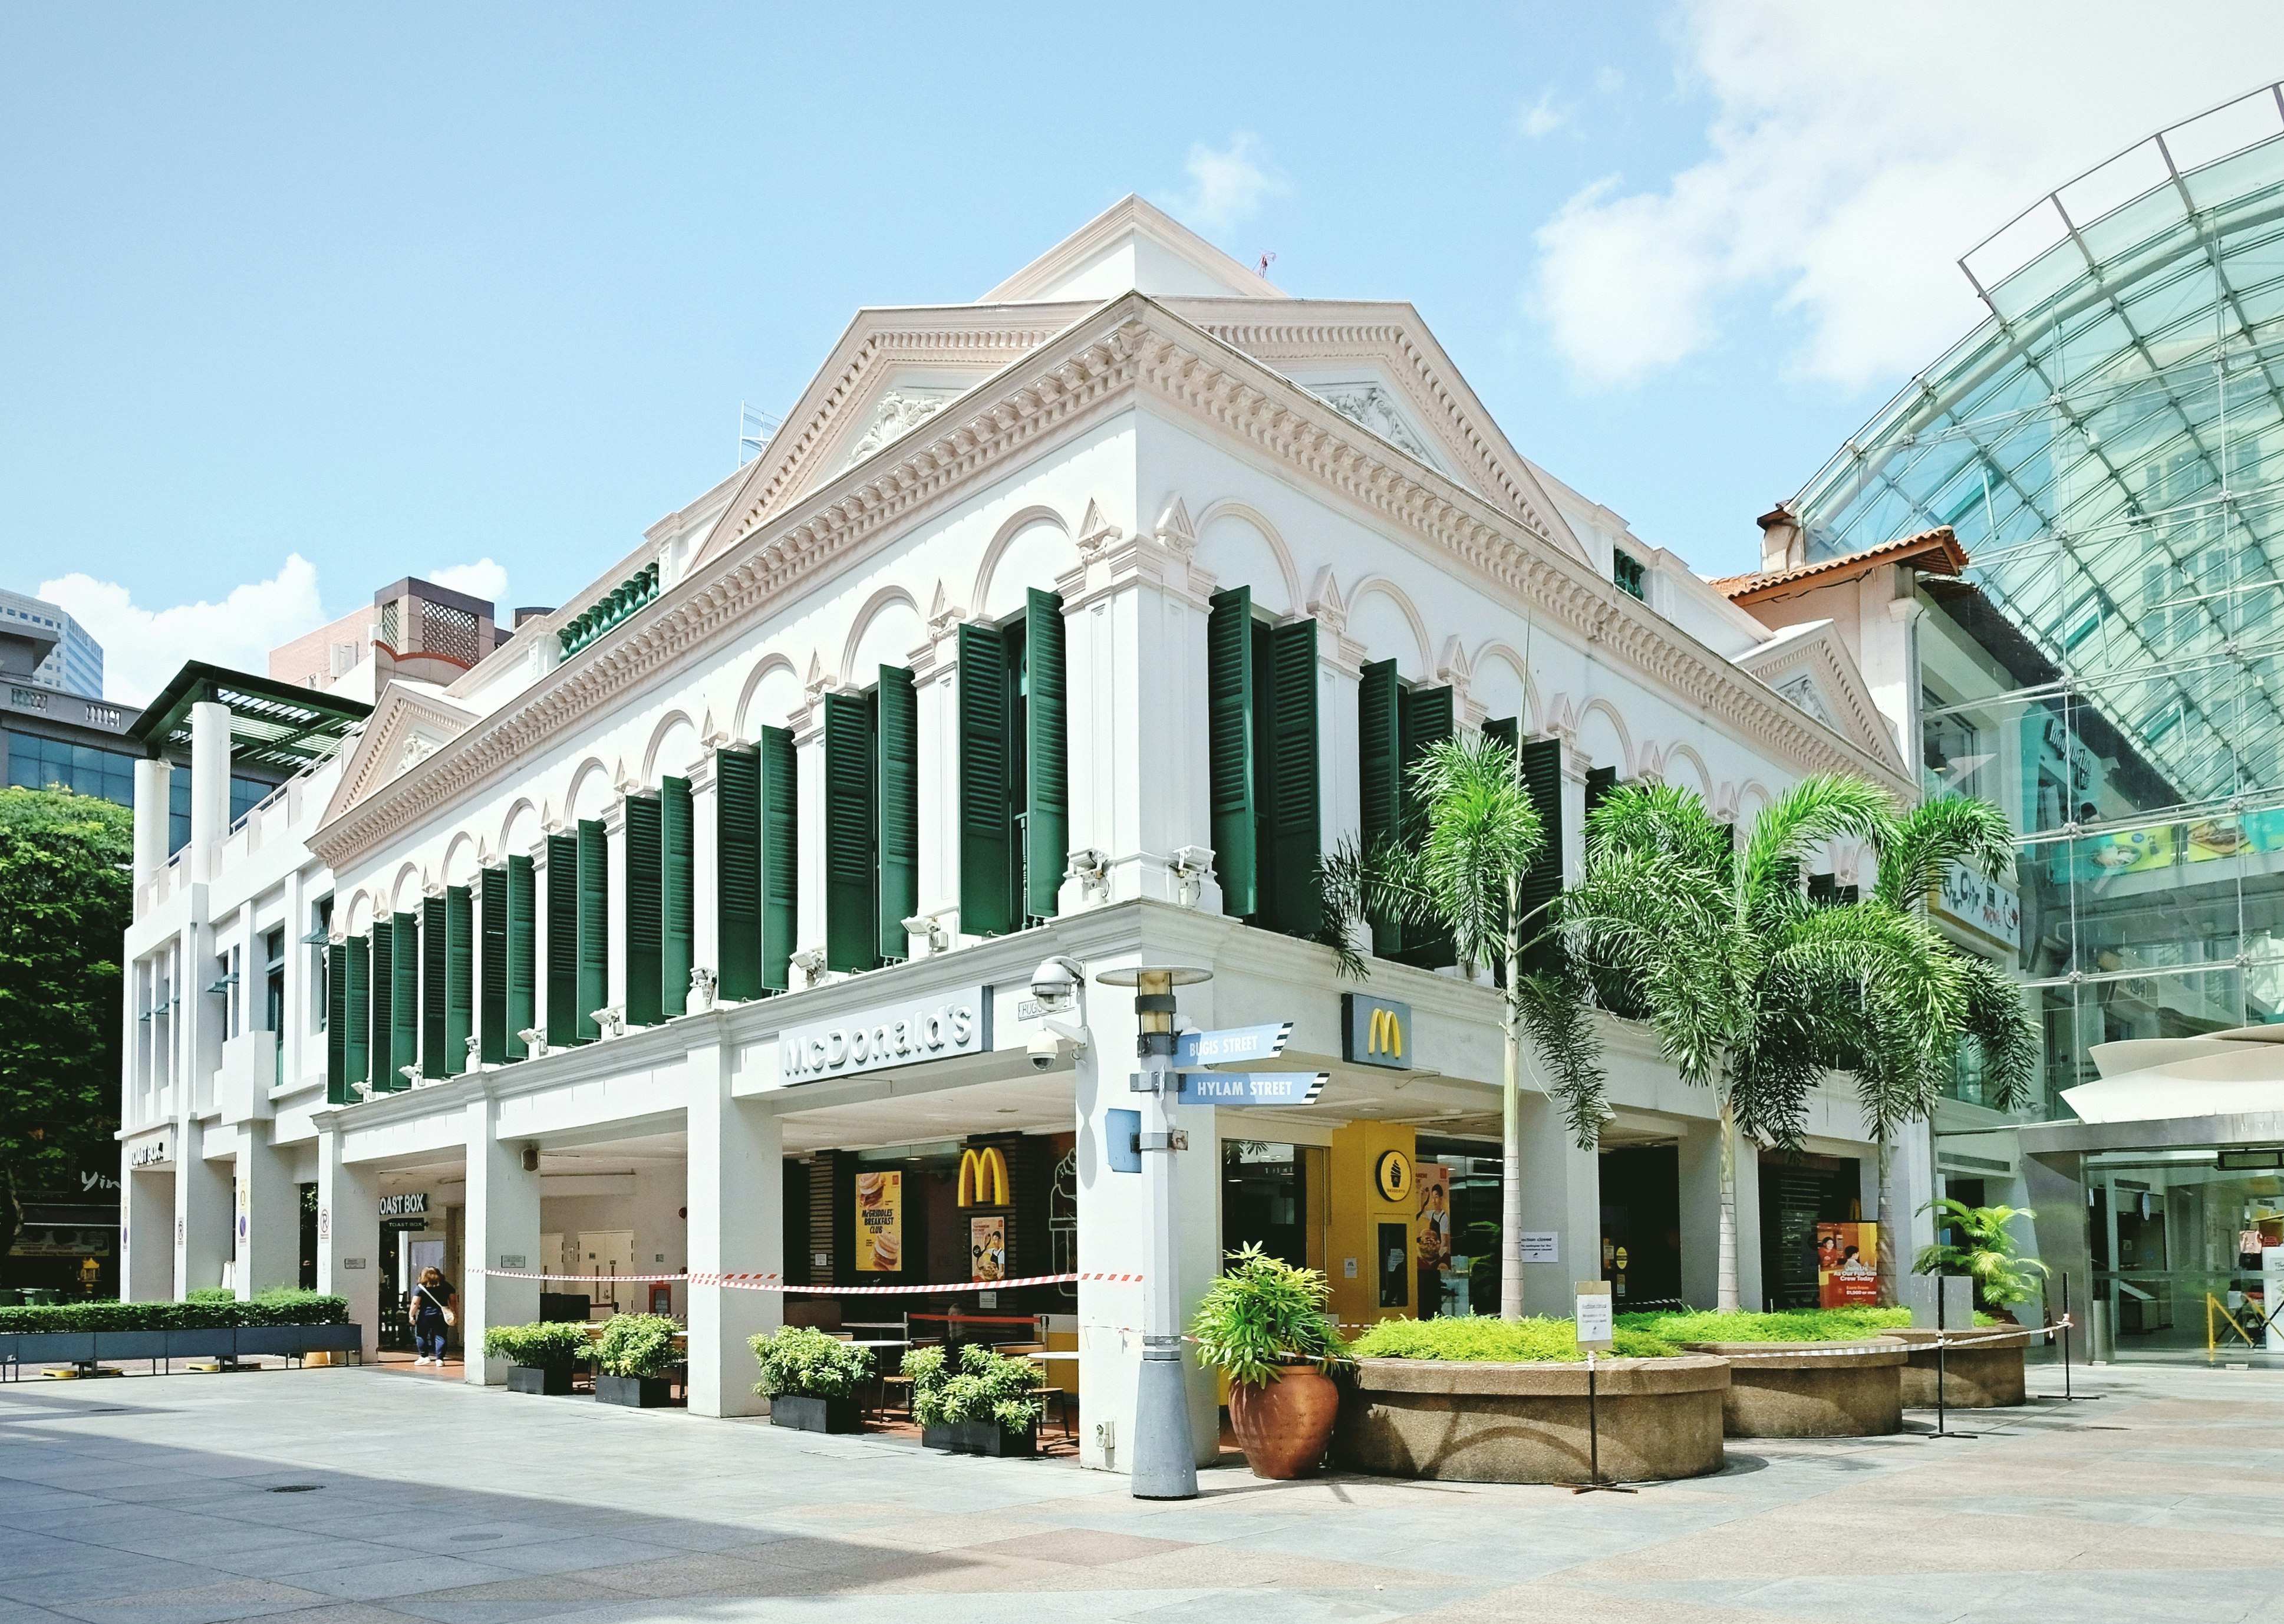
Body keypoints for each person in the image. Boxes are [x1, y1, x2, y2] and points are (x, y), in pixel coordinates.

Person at [409, 1266, 456, 1366]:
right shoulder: (446, 1286)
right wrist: (454, 1312)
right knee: (441, 1336)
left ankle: (424, 1357)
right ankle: (440, 1359)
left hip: (425, 1314)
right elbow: (453, 1300)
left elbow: (415, 1303)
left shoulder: (421, 1287)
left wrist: (411, 1315)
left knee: (421, 1335)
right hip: (441, 1314)